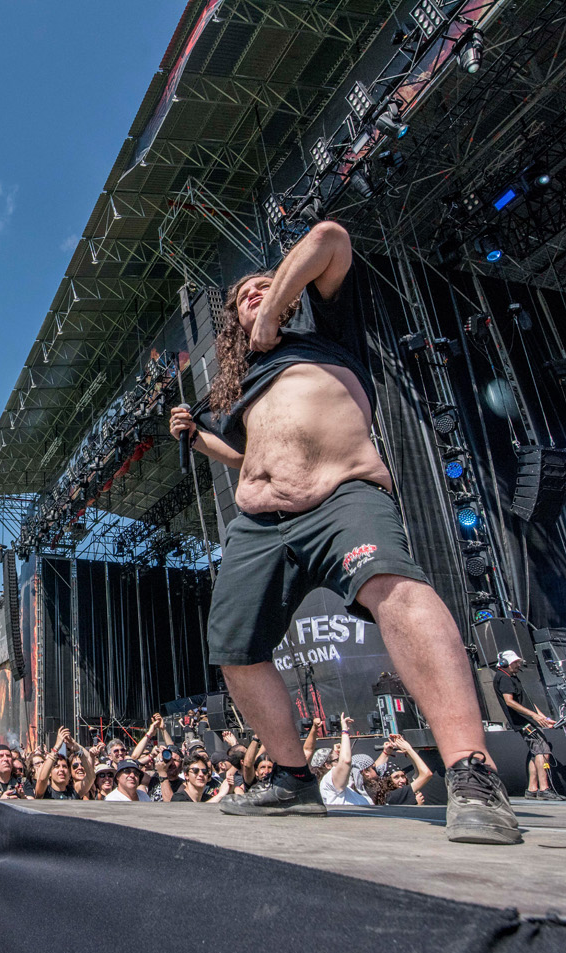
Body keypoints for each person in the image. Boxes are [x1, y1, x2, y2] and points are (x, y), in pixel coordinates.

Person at [169, 218, 520, 844]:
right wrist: (199, 439)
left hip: (341, 498)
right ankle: (292, 779)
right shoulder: (243, 384)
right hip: (258, 525)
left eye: (264, 285)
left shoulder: (325, 332)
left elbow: (329, 237)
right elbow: (249, 459)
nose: (254, 293)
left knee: (396, 589)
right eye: (243, 296)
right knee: (234, 649)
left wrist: (272, 308)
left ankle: (472, 772)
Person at [492, 650, 564, 800]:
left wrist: (543, 718)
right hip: (523, 722)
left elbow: (527, 702)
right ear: (505, 663)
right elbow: (509, 702)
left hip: (527, 720)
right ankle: (544, 789)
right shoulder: (503, 678)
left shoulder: (512, 677)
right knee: (542, 751)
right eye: (515, 663)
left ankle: (532, 789)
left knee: (535, 752)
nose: (518, 665)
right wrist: (533, 716)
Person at [374, 734, 434, 805]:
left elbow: (418, 773)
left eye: (403, 776)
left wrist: (386, 752)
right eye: (396, 777)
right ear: (386, 780)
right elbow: (426, 774)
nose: (402, 780)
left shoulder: (382, 795)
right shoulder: (393, 796)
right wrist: (408, 749)